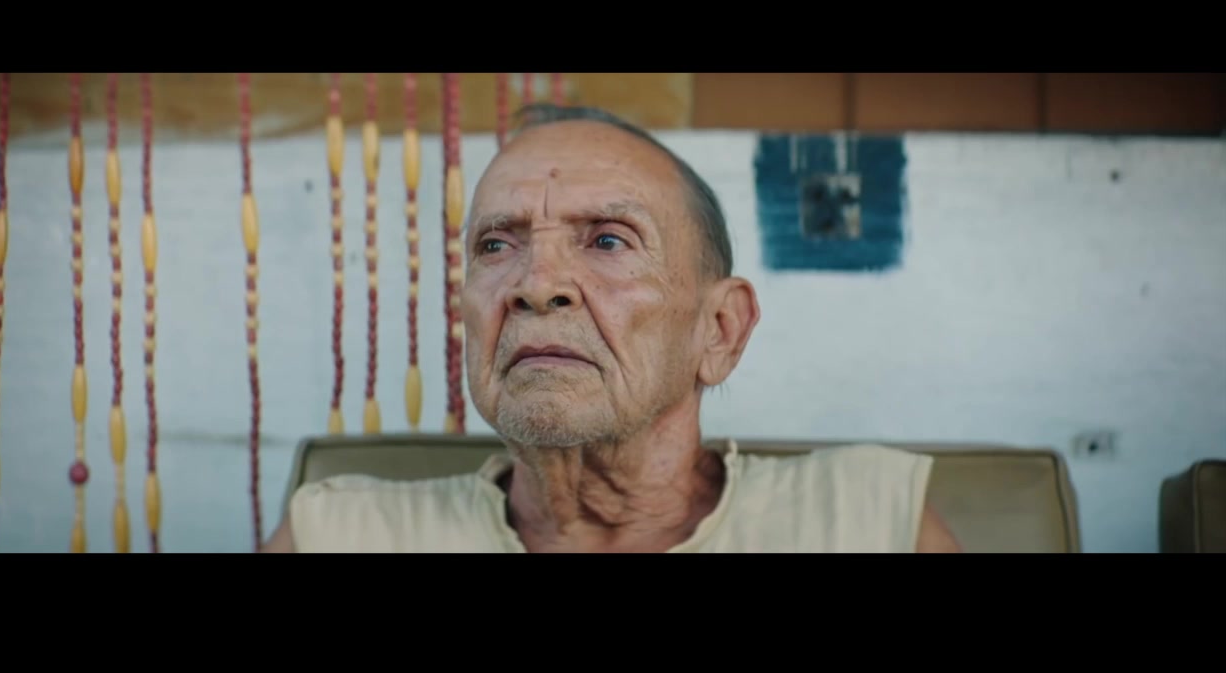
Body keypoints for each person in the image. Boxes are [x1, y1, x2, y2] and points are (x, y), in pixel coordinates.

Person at [261, 103, 962, 553]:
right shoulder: (340, 534)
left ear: (720, 330)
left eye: (607, 240)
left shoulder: (869, 521)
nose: (537, 284)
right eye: (496, 245)